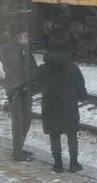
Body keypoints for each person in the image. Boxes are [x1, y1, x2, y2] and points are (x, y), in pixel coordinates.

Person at [36, 34, 86, 173]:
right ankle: (74, 164)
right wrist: (82, 96)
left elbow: (36, 85)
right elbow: (80, 86)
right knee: (71, 134)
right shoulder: (73, 68)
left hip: (50, 106)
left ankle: (58, 164)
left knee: (54, 134)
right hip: (68, 106)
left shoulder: (42, 69)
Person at [0, 13, 38, 161]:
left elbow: (30, 65)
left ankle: (19, 148)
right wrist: (23, 48)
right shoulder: (6, 47)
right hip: (15, 89)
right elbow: (13, 66)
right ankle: (17, 152)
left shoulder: (22, 47)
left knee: (26, 120)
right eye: (25, 34)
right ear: (18, 35)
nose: (27, 36)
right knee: (18, 122)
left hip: (26, 87)